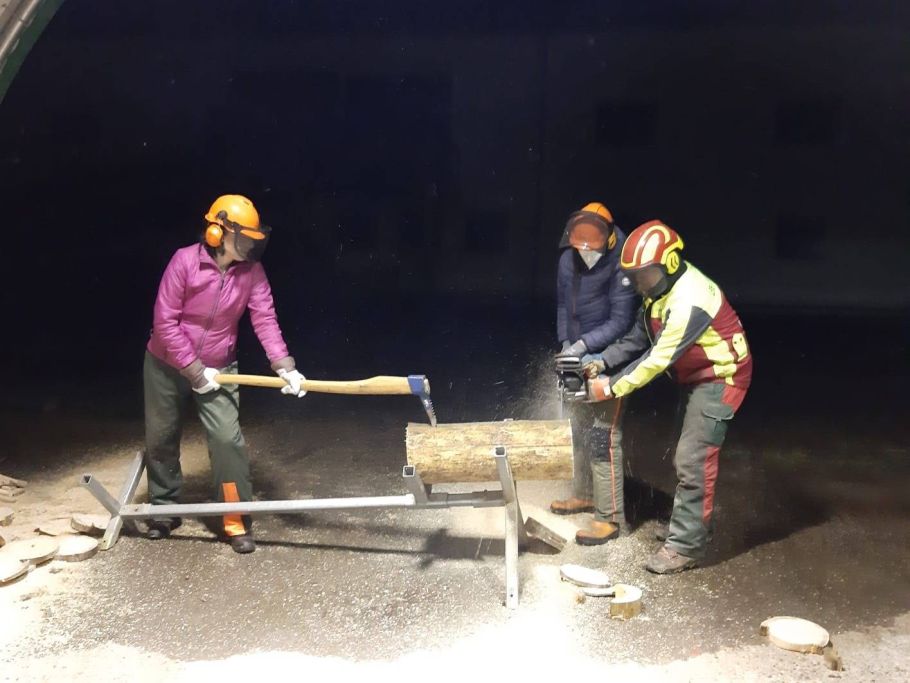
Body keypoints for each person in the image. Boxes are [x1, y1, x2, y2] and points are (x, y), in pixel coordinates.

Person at [585, 220, 752, 573]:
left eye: (645, 275)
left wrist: (611, 386)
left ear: (670, 264)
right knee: (684, 454)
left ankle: (686, 546)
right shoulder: (659, 292)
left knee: (693, 459)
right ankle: (690, 528)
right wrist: (603, 360)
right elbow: (639, 336)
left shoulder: (690, 300)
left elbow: (658, 358)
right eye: (635, 277)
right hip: (696, 377)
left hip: (721, 378)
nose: (639, 284)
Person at [143, 194, 306, 554]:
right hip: (165, 364)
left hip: (220, 367)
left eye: (255, 238)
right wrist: (194, 370)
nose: (251, 245)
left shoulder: (252, 272)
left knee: (227, 441)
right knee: (161, 436)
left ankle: (235, 519)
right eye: (245, 237)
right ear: (218, 231)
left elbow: (264, 317)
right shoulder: (184, 262)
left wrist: (285, 366)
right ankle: (163, 509)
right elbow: (165, 323)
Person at [552, 202, 638, 545]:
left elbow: (621, 320)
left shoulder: (622, 264)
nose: (585, 255)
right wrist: (566, 345)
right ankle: (585, 494)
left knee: (603, 436)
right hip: (577, 353)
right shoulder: (567, 260)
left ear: (609, 241)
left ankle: (609, 517)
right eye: (580, 249)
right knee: (577, 431)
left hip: (610, 359)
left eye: (592, 250)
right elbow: (563, 306)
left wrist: (585, 345)